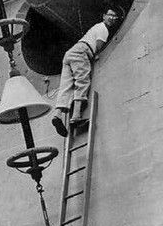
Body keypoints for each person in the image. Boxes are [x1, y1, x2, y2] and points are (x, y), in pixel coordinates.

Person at [51, 8, 121, 137]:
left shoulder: (95, 27)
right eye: (110, 15)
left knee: (66, 86)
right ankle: (76, 116)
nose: (112, 18)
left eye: (115, 17)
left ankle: (57, 115)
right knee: (82, 81)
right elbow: (98, 48)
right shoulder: (103, 29)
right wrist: (95, 56)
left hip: (70, 53)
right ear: (104, 16)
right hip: (82, 51)